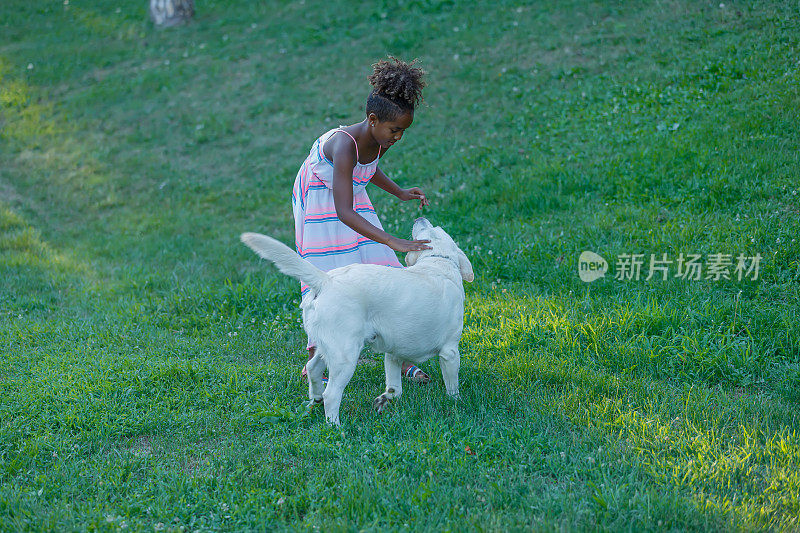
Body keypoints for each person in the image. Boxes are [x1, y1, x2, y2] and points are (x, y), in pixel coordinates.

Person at [292, 57, 433, 384]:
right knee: (325, 277)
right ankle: (315, 361)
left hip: (348, 192)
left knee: (380, 268)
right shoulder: (344, 144)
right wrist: (390, 238)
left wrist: (398, 191)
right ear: (372, 119)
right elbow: (343, 210)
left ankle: (398, 356)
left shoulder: (380, 138)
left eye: (402, 132)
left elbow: (368, 168)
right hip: (320, 200)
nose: (398, 137)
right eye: (395, 130)